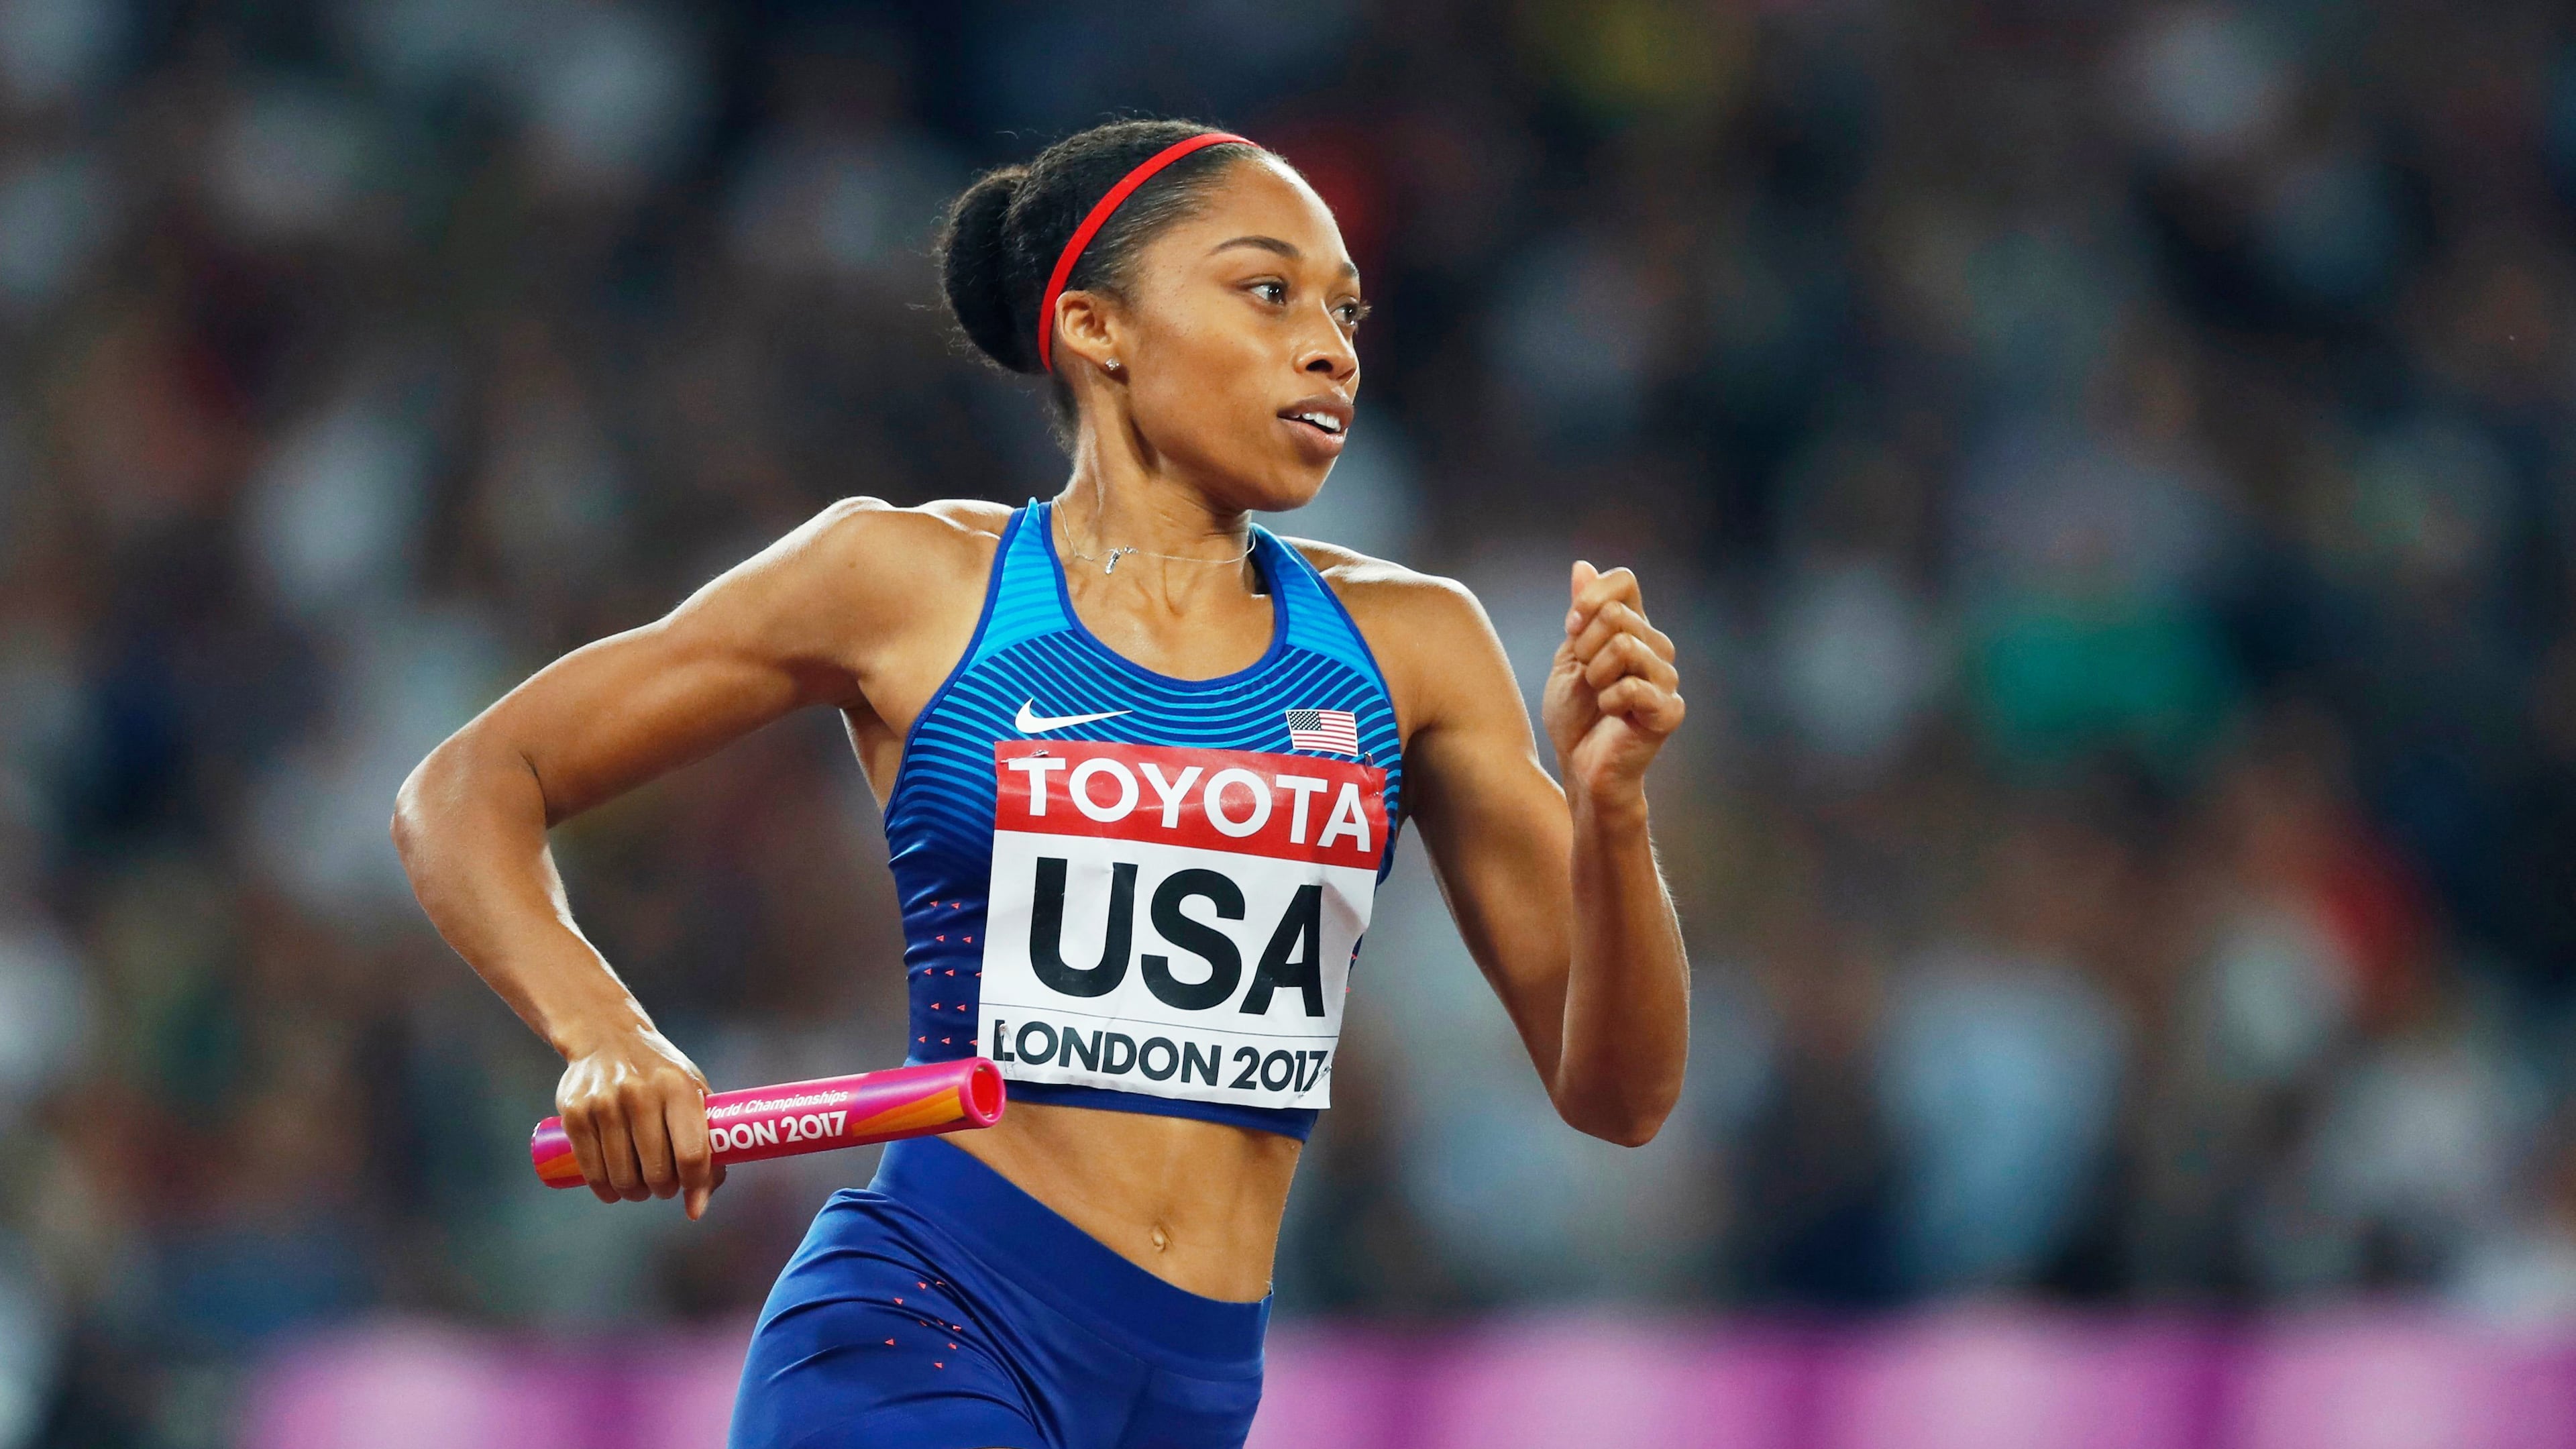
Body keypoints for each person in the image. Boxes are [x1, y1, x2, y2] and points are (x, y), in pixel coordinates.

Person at [392, 118, 1692, 1449]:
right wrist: (608, 1034)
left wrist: (1614, 810)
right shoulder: (910, 587)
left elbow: (1624, 1095)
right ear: (1096, 328)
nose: (1332, 346)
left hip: (1191, 1396)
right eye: (1268, 291)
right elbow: (469, 785)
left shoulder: (1414, 650)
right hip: (924, 1330)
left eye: (1346, 310)